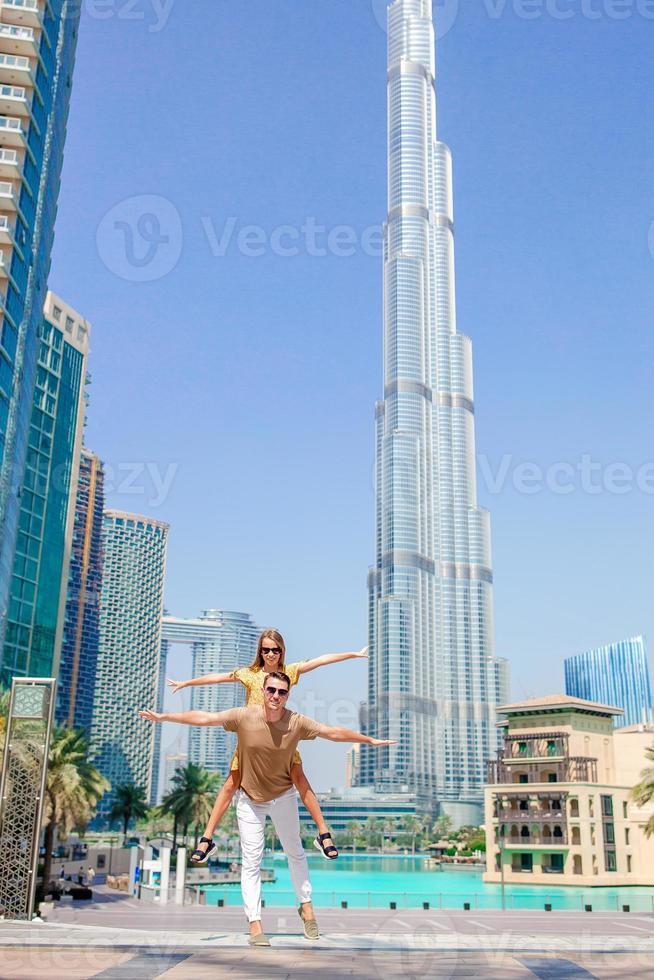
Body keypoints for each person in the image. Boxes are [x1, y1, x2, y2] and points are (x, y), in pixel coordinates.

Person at [140, 670, 394, 946]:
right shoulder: (244, 716)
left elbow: (331, 732)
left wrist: (368, 741)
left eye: (282, 692)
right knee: (252, 862)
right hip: (250, 800)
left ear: (288, 695)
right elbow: (206, 718)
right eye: (271, 690)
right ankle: (255, 924)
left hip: (283, 796)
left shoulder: (296, 722)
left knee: (295, 852)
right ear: (262, 691)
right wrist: (165, 718)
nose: (275, 696)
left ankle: (306, 908)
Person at [167, 628, 367, 864]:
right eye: (266, 649)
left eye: (275, 649)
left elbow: (320, 661)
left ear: (281, 651)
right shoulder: (249, 673)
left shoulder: (288, 672)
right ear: (260, 651)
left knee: (300, 780)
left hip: (281, 739)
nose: (270, 654)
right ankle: (207, 839)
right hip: (253, 742)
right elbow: (217, 677)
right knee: (231, 785)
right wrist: (186, 683)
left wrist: (353, 655)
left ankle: (323, 835)